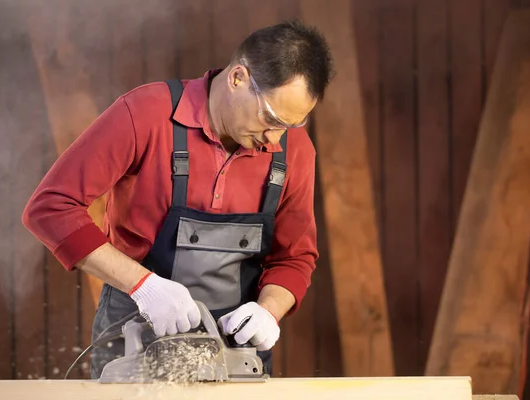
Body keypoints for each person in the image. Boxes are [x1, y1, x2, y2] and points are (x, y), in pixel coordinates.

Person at [22, 19, 335, 379]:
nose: (274, 136)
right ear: (237, 79)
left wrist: (269, 309)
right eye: (270, 117)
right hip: (133, 342)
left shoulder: (293, 150)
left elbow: (295, 256)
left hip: (234, 357)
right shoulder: (146, 113)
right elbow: (51, 208)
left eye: (291, 124)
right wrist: (144, 286)